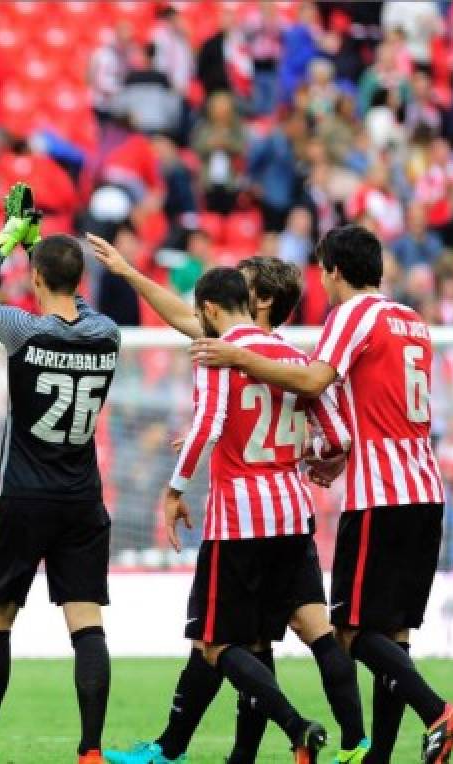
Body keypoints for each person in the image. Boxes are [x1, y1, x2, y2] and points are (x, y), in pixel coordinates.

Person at [191, 224, 453, 764]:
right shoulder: (413, 320)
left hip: (381, 493)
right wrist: (329, 454)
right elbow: (376, 404)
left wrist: (240, 359)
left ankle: (437, 710)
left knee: (349, 632)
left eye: (323, 271)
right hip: (426, 485)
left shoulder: (351, 315)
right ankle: (379, 756)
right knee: (394, 633)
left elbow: (316, 381)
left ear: (336, 271)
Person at [90, 242, 366, 763]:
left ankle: (295, 729)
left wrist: (174, 490)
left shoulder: (218, 351)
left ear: (253, 299)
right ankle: (333, 743)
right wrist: (306, 457)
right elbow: (336, 436)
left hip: (239, 518)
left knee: (218, 644)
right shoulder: (297, 359)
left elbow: (213, 424)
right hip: (292, 511)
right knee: (269, 641)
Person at [0, 185, 121, 764]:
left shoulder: (23, 329)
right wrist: (42, 252)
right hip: (82, 498)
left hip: (23, 495)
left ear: (35, 279)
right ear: (80, 282)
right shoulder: (107, 334)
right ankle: (90, 751)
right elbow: (76, 309)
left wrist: (10, 239)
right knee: (85, 622)